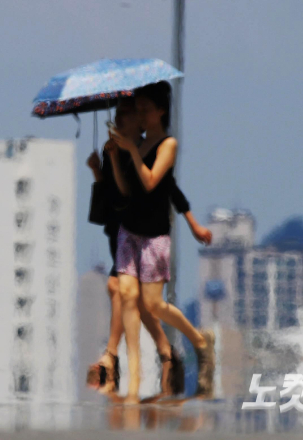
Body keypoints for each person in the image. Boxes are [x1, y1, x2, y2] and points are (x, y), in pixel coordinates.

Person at [86, 96, 212, 396]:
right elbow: (117, 193)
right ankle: (133, 368)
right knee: (124, 293)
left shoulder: (153, 146)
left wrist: (193, 222)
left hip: (150, 232)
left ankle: (179, 349)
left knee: (145, 302)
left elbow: (166, 186)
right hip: (122, 230)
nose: (119, 121)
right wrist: (105, 165)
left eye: (126, 115)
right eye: (118, 116)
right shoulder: (117, 149)